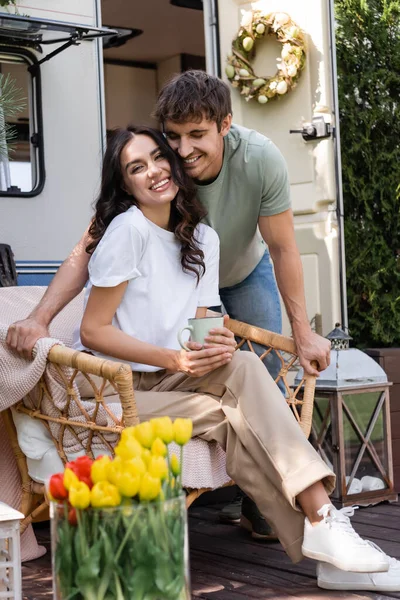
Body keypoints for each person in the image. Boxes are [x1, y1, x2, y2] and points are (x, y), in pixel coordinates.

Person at [6, 70, 331, 539]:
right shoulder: (152, 191)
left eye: (196, 135)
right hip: (154, 332)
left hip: (238, 267)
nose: (180, 151)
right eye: (172, 139)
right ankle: (315, 526)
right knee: (233, 386)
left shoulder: (257, 162)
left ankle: (288, 519)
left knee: (253, 370)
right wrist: (40, 317)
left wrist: (299, 332)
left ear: (225, 125)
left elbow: (282, 249)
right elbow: (88, 250)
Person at [71, 124, 390, 579]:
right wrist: (175, 359)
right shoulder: (128, 232)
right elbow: (93, 331)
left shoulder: (202, 238)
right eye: (136, 168)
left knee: (239, 361)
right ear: (124, 185)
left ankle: (324, 534)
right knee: (232, 418)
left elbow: (197, 327)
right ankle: (323, 527)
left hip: (168, 376)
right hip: (116, 389)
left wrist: (212, 341)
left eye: (159, 157)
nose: (155, 171)